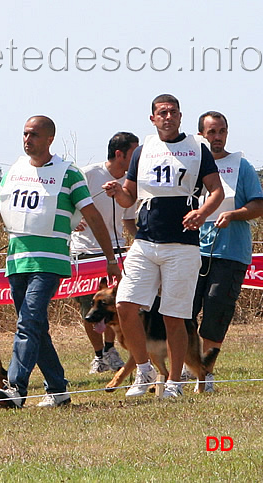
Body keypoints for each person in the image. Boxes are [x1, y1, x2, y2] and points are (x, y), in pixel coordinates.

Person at [0, 115, 121, 409]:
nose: (27, 139)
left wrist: (110, 258)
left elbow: (93, 216)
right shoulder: (15, 172)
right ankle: (58, 389)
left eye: (33, 134)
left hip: (49, 262)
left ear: (49, 139)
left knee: (28, 321)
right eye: (24, 134)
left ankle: (15, 388)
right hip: (17, 261)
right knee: (34, 327)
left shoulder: (68, 174)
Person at [103, 94, 224, 398]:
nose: (168, 117)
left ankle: (173, 383)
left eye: (173, 112)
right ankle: (143, 372)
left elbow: (216, 191)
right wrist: (118, 192)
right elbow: (130, 198)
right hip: (145, 241)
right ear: (152, 118)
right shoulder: (143, 150)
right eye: (162, 112)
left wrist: (203, 212)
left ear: (181, 117)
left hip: (182, 245)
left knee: (174, 315)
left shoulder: (197, 148)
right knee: (125, 305)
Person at [187, 111, 263, 392]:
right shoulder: (190, 165)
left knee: (217, 311)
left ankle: (206, 374)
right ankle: (187, 367)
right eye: (211, 132)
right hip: (191, 251)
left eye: (221, 131)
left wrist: (233, 214)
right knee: (185, 311)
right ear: (200, 135)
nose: (217, 138)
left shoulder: (241, 166)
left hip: (230, 253)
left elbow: (259, 205)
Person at [71, 132, 139, 374]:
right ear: (119, 154)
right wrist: (72, 220)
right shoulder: (88, 174)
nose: (138, 157)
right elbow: (64, 202)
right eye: (134, 153)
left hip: (119, 251)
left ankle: (111, 348)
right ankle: (98, 355)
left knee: (117, 303)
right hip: (86, 251)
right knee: (89, 306)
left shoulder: (133, 182)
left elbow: (129, 218)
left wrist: (143, 238)